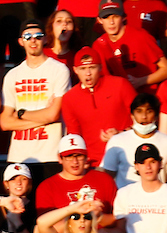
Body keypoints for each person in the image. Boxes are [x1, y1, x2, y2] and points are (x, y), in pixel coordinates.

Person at [1, 22, 72, 185]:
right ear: (20, 41)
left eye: (38, 36)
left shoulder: (59, 70)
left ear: (46, 39)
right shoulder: (12, 76)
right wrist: (44, 117)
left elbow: (54, 113)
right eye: (28, 36)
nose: (33, 40)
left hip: (51, 154)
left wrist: (20, 114)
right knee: (21, 208)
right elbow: (5, 122)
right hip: (19, 156)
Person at [61, 47, 138, 169]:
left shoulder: (120, 85)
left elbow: (143, 121)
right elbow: (74, 136)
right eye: (83, 69)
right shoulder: (69, 99)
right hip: (94, 163)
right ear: (75, 70)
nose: (88, 73)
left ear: (101, 67)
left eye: (92, 67)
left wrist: (121, 134)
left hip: (128, 158)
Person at [112, 143, 167, 233]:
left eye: (152, 162)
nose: (148, 167)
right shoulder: (124, 193)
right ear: (136, 166)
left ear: (160, 163)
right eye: (142, 163)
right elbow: (121, 232)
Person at [101, 93, 167, 189]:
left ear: (156, 115)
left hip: (157, 200)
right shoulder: (117, 141)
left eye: (149, 111)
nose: (144, 116)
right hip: (125, 199)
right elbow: (107, 177)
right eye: (139, 111)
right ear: (132, 115)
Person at [93, 1, 167, 92]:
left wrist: (139, 81)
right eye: (106, 17)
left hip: (144, 97)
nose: (111, 22)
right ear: (99, 20)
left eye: (115, 17)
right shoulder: (99, 45)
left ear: (123, 17)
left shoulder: (141, 36)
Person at [34, 134, 120, 219]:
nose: (75, 162)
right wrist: (85, 215)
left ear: (86, 158)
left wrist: (99, 217)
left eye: (79, 156)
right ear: (60, 158)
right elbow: (45, 226)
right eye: (69, 156)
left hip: (100, 232)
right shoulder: (47, 187)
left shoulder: (104, 180)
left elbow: (119, 219)